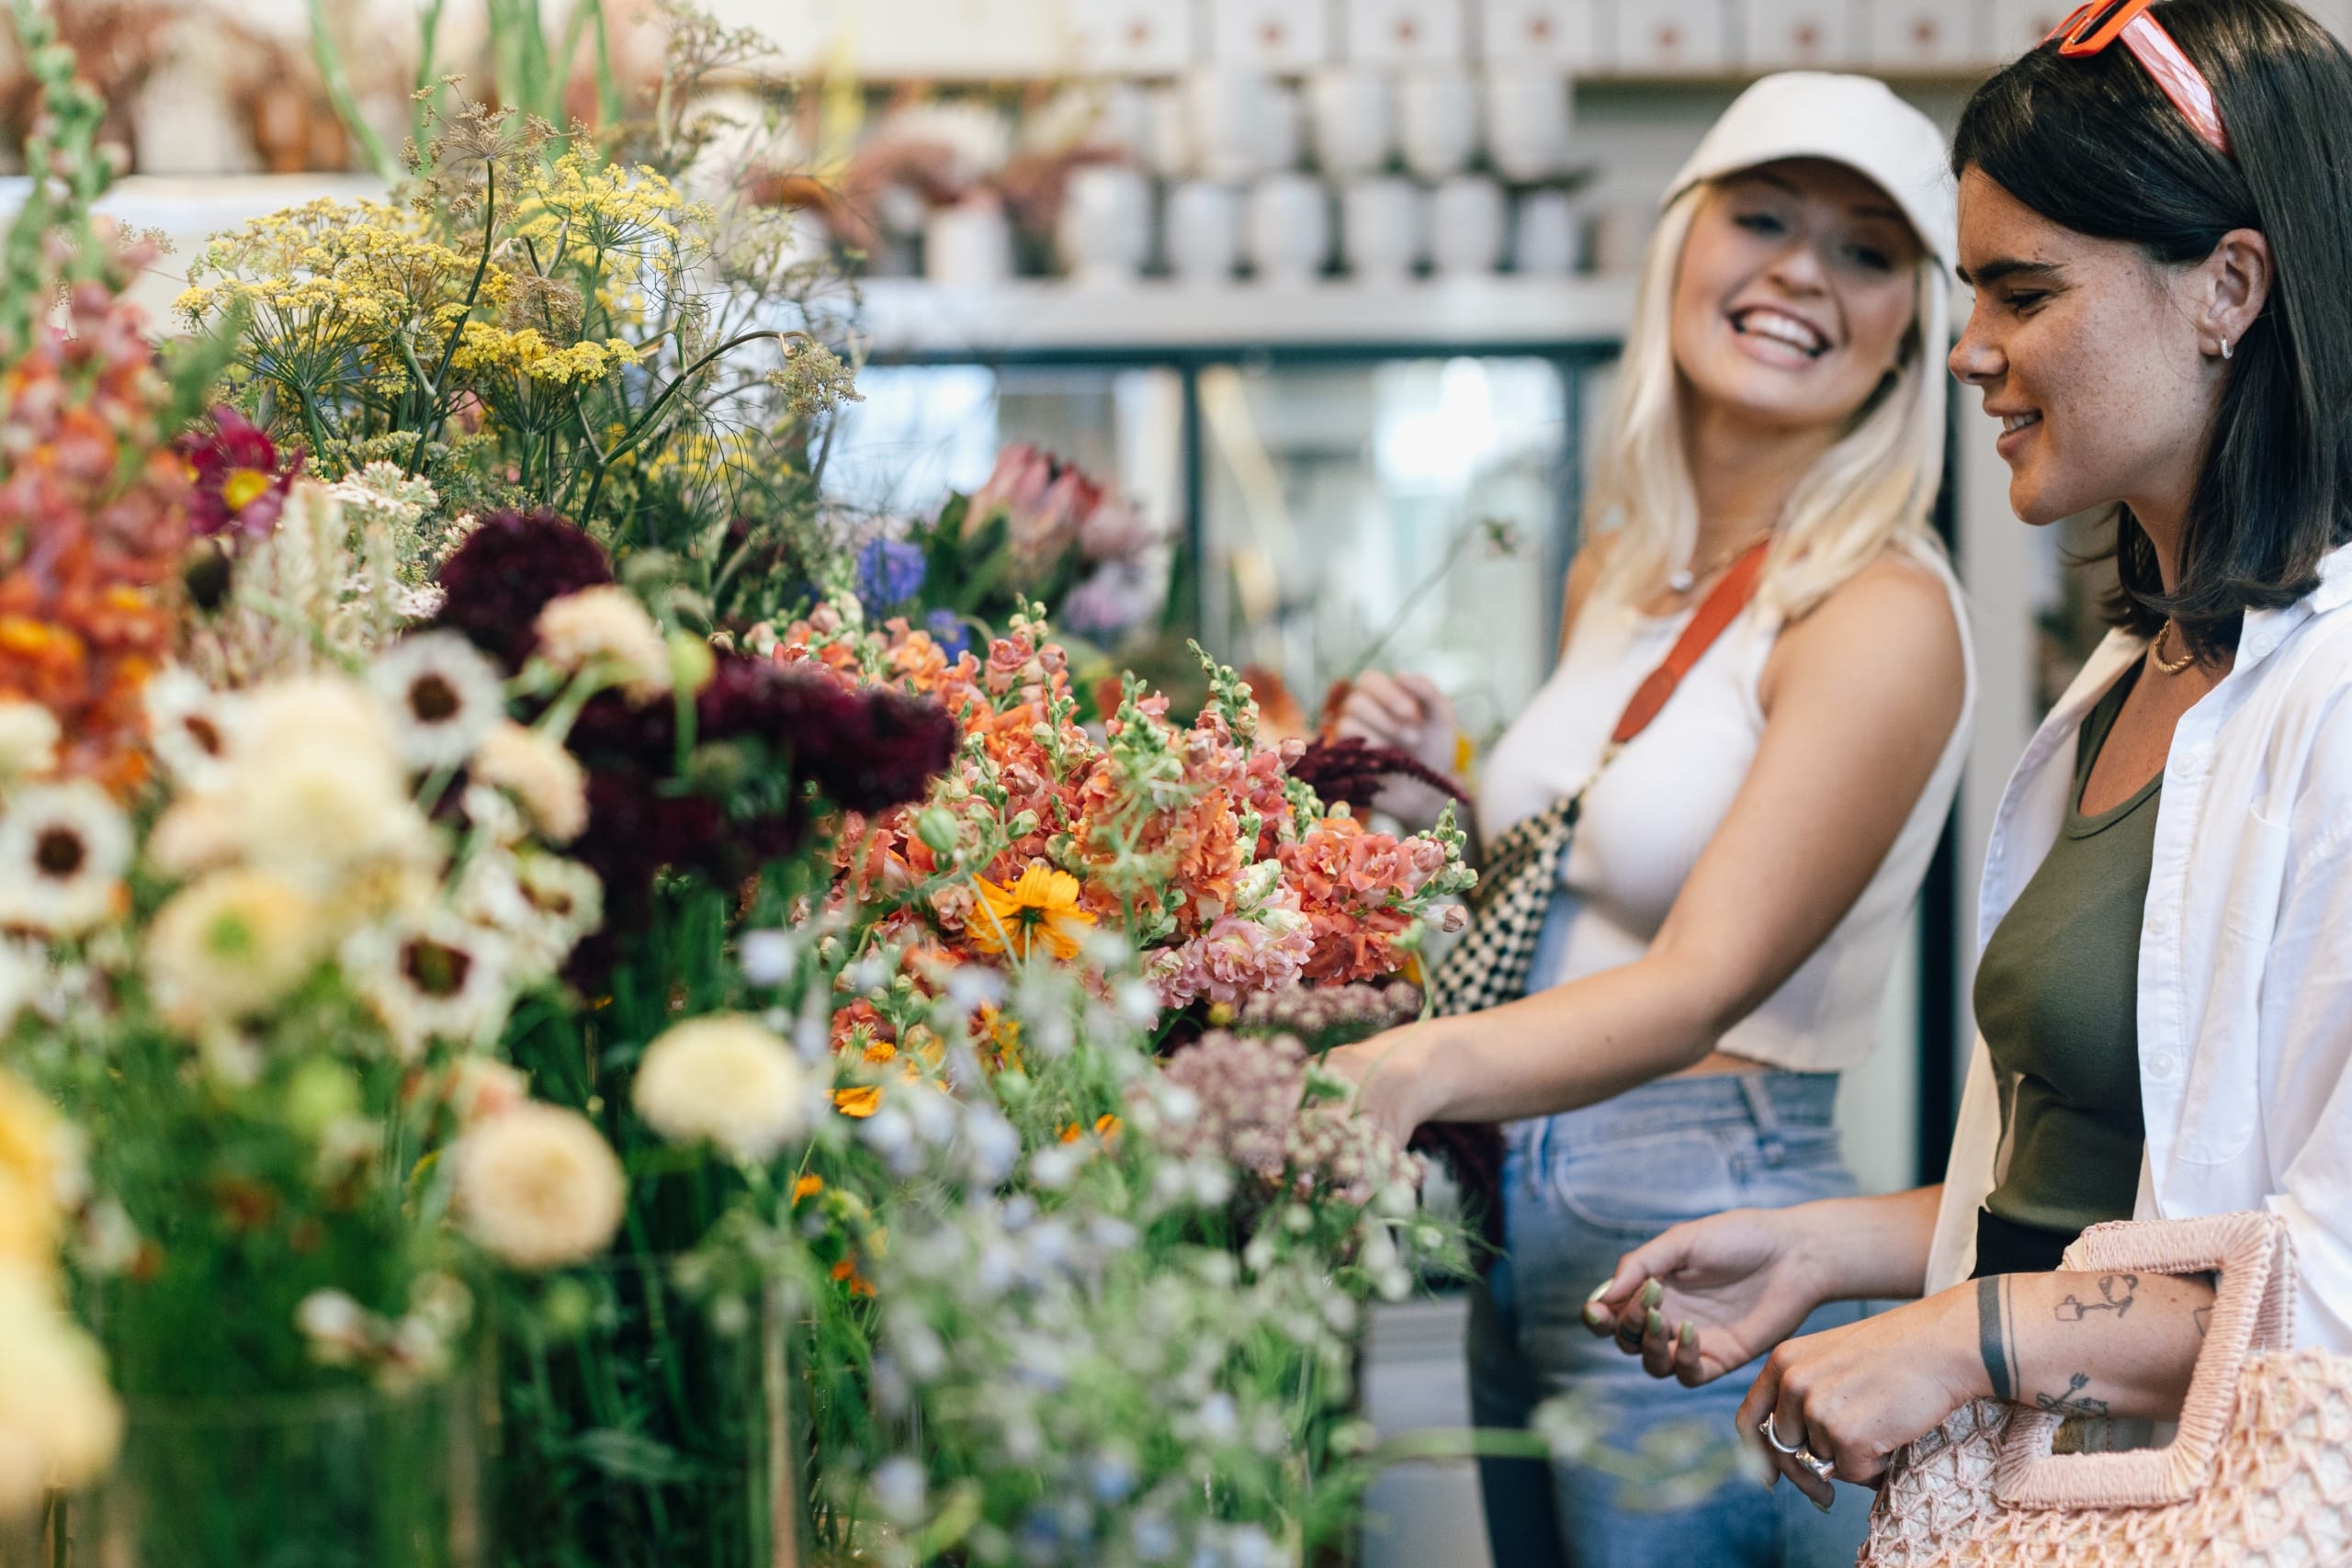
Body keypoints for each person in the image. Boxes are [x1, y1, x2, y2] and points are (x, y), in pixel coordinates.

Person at [1581, 0, 2352, 1516]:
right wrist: (1845, 1247)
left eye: (2021, 293)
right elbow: (2130, 1187)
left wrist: (1963, 1338)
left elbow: (2323, 1287)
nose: (1969, 353)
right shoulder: (2136, 683)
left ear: (2230, 288)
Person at [1327, 73, 1973, 1565]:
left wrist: (1409, 1065)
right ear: (1682, 244)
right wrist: (1453, 779)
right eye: (1763, 217)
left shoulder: (1879, 608)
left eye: (1869, 252)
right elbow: (1587, 886)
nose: (1804, 270)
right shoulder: (1624, 570)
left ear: (1910, 335)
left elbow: (1698, 977)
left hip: (1703, 1229)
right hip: (1516, 1206)